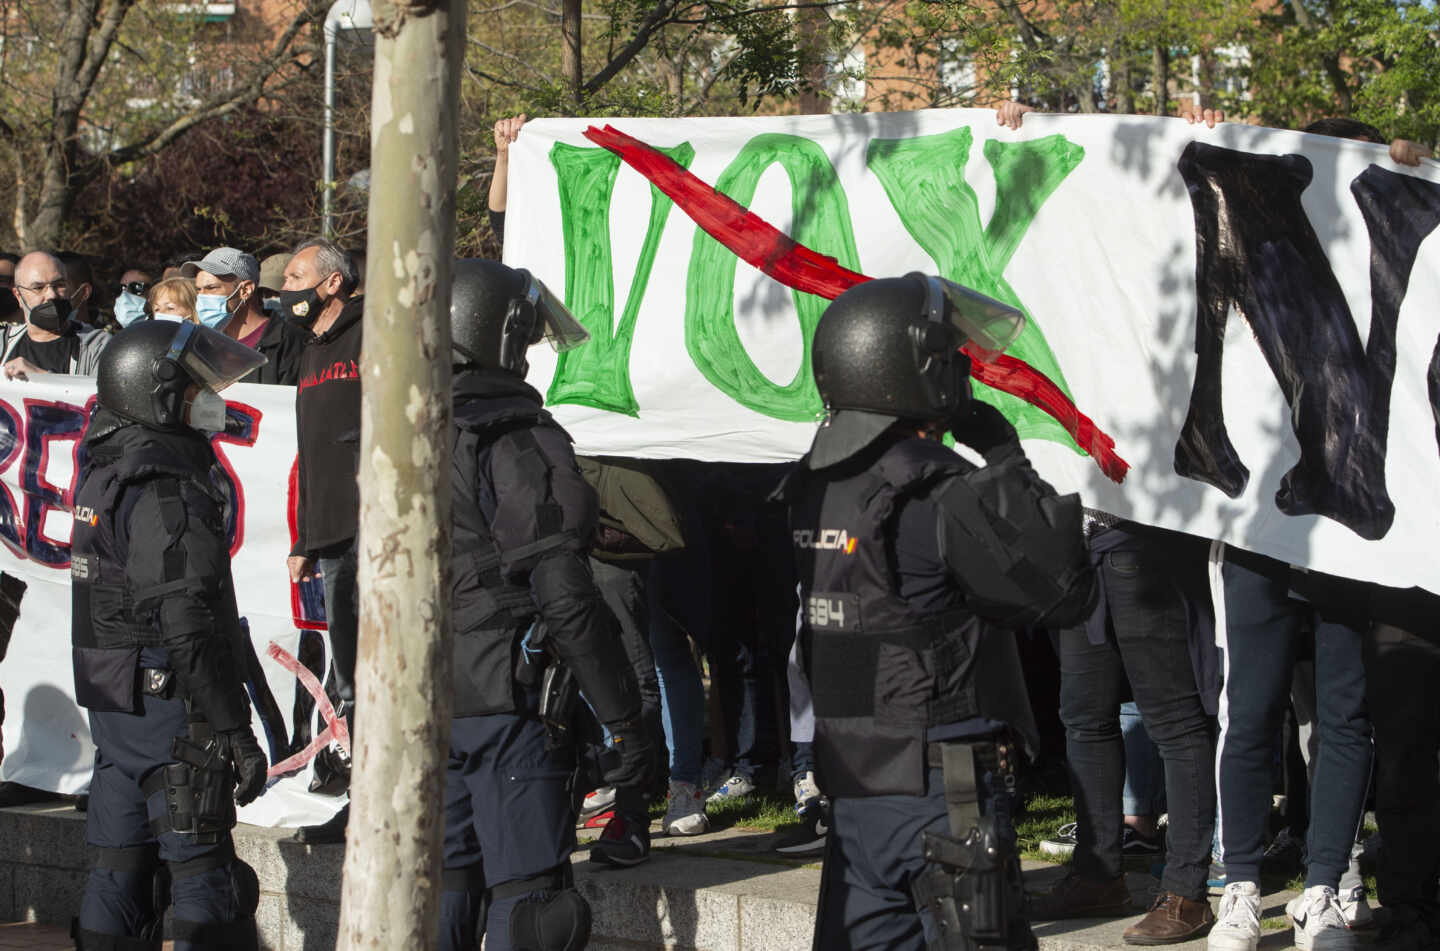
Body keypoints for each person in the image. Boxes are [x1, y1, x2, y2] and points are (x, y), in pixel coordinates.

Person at [775, 273, 1096, 950]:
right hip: (941, 793)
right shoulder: (932, 489)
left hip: (859, 788)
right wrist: (1006, 456)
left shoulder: (815, 484)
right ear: (914, 366)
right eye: (950, 356)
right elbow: (1063, 591)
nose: (960, 370)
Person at [439, 258, 656, 951]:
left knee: (445, 887)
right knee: (532, 902)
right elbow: (564, 594)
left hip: (423, 697)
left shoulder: (403, 432)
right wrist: (624, 718)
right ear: (499, 338)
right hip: (507, 700)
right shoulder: (515, 436)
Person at [69, 319, 269, 950]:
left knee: (119, 872)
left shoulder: (107, 465)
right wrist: (233, 729)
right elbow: (187, 625)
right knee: (204, 883)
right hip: (170, 709)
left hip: (118, 708)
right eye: (193, 386)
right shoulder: (163, 488)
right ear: (154, 393)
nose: (208, 396)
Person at [279, 237, 362, 843]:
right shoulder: (309, 350)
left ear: (331, 283)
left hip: (372, 532)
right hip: (329, 535)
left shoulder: (372, 336)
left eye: (295, 277)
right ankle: (357, 789)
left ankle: (367, 799)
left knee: (365, 672)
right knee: (350, 669)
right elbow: (310, 452)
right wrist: (305, 536)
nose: (286, 290)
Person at [4, 250, 81, 379]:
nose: (51, 295)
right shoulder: (3, 344)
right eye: (38, 288)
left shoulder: (96, 346)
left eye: (59, 285)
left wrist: (40, 377)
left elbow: (100, 396)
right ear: (18, 296)